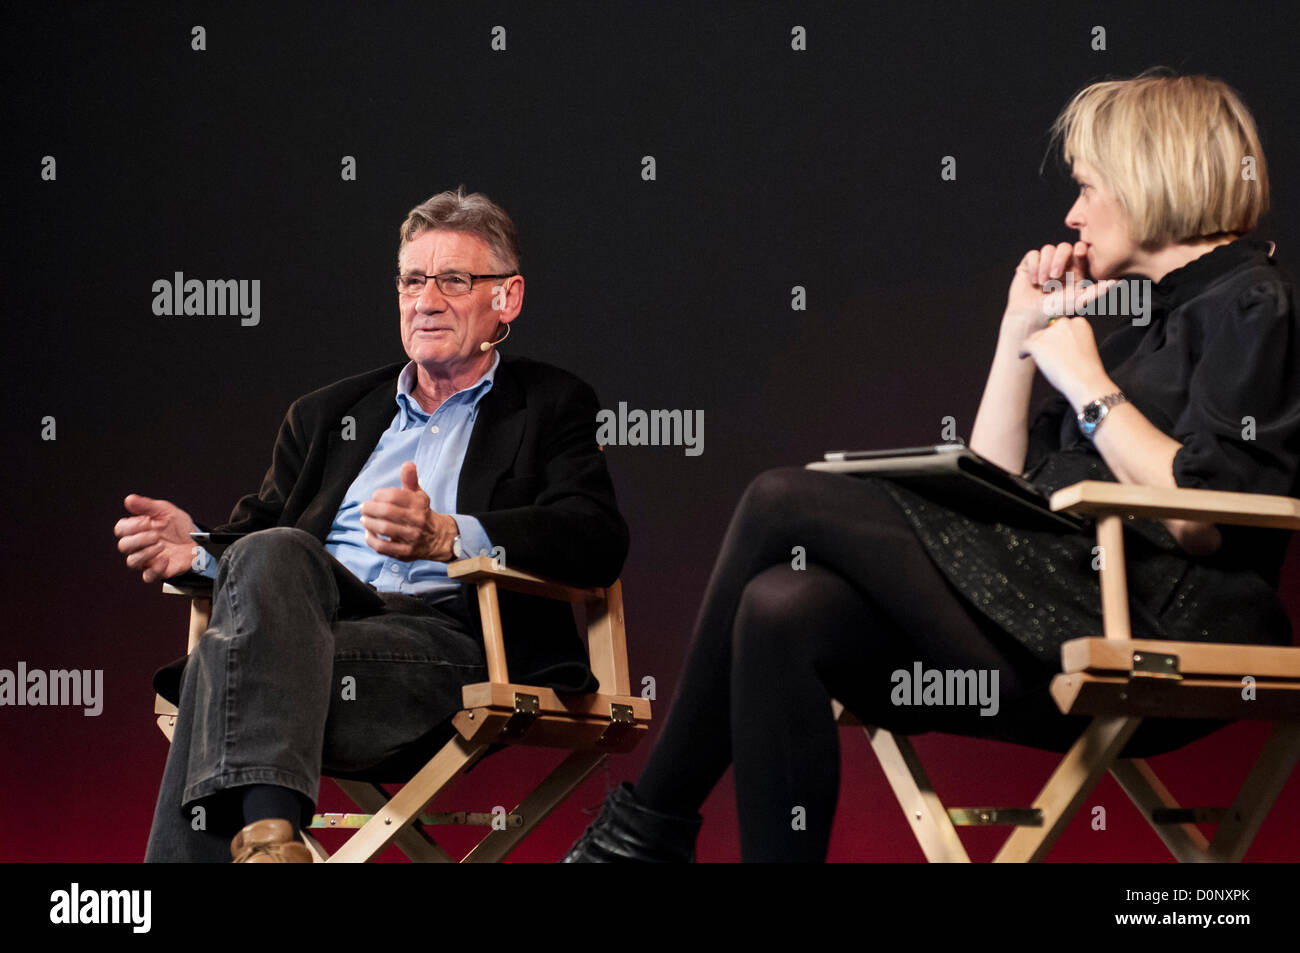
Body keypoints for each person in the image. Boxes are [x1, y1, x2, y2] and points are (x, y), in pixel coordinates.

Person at [563, 71, 1300, 862]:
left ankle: (650, 827)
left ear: (1152, 176)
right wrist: (1021, 333)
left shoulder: (1253, 305)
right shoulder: (1129, 324)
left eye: (1087, 187)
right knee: (781, 606)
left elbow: (1200, 515)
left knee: (782, 499)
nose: (1072, 214)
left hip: (1160, 633)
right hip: (1058, 607)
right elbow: (993, 493)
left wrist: (1087, 385)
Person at [115, 188, 628, 862]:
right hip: (310, 639)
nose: (427, 299)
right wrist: (200, 554)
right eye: (413, 279)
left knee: (222, 666)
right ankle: (271, 844)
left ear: (507, 300)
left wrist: (448, 534)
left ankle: (264, 840)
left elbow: (595, 536)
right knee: (275, 556)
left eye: (454, 279)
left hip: (437, 650)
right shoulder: (328, 413)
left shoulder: (551, 403)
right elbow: (260, 540)